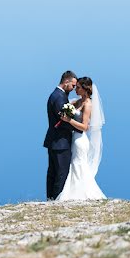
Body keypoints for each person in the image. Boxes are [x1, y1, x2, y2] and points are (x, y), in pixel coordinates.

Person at [55, 76, 106, 201]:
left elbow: (85, 127)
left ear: (85, 89)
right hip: (74, 138)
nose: (75, 90)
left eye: (78, 88)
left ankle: (80, 194)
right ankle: (74, 193)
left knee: (78, 165)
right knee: (75, 165)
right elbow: (67, 105)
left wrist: (69, 120)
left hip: (80, 139)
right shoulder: (78, 102)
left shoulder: (88, 105)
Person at [42, 70, 77, 200]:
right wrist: (79, 128)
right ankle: (57, 199)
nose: (73, 89)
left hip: (53, 140)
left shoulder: (56, 95)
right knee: (61, 172)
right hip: (60, 141)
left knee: (52, 172)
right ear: (66, 81)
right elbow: (63, 121)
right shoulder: (59, 97)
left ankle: (50, 198)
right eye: (73, 85)